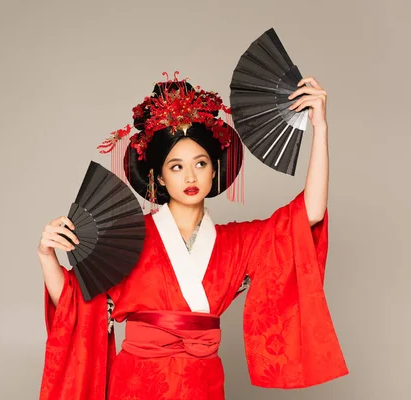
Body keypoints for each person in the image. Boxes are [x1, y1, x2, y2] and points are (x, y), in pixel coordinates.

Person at [36, 73, 348, 399]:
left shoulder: (238, 242)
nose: (190, 176)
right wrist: (47, 255)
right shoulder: (127, 236)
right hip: (137, 384)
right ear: (157, 177)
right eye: (176, 167)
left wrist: (320, 129)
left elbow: (308, 214)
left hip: (203, 384)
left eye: (200, 163)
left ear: (214, 170)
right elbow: (75, 302)